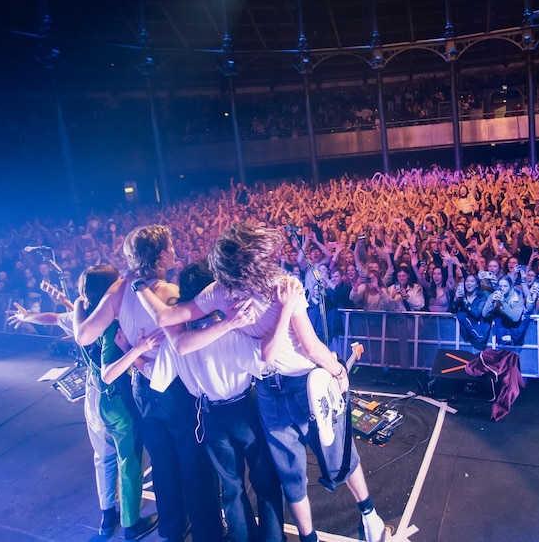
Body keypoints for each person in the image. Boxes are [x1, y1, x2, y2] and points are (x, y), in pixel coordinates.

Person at [134, 223, 387, 542]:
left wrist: (139, 286)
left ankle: (312, 538)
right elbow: (309, 347)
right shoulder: (285, 286)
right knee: (338, 454)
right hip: (304, 385)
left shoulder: (220, 292)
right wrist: (337, 370)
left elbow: (166, 319)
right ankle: (369, 516)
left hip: (268, 392)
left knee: (291, 475)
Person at [73, 225, 224, 542]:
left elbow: (83, 335)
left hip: (143, 391)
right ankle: (208, 533)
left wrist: (78, 306)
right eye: (170, 246)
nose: (174, 249)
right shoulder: (168, 293)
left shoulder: (117, 291)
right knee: (192, 463)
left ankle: (171, 530)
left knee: (162, 464)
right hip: (177, 390)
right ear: (159, 255)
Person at [133, 260, 284, 542]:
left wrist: (134, 354)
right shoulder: (232, 329)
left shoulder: (178, 339)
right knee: (265, 483)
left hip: (210, 418)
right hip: (244, 410)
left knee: (232, 490)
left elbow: (158, 377)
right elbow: (264, 363)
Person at [8, 267, 157, 540]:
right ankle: (131, 523)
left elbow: (53, 318)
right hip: (117, 400)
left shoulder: (82, 318)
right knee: (130, 460)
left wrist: (28, 317)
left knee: (102, 457)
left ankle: (106, 515)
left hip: (92, 397)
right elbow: (109, 369)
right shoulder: (113, 323)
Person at [483, 276, 528, 344]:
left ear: (511, 287)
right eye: (500, 286)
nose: (502, 288)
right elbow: (484, 314)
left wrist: (503, 302)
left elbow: (516, 317)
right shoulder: (493, 296)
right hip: (500, 328)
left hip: (514, 327)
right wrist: (492, 301)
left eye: (505, 286)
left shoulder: (517, 298)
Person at [450, 273, 490, 349]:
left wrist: (465, 302)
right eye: (467, 281)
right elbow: (452, 310)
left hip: (478, 330)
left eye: (472, 281)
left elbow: (477, 314)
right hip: (464, 334)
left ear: (477, 284)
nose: (468, 284)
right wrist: (455, 298)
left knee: (463, 314)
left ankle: (479, 336)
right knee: (461, 314)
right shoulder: (461, 296)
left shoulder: (482, 298)